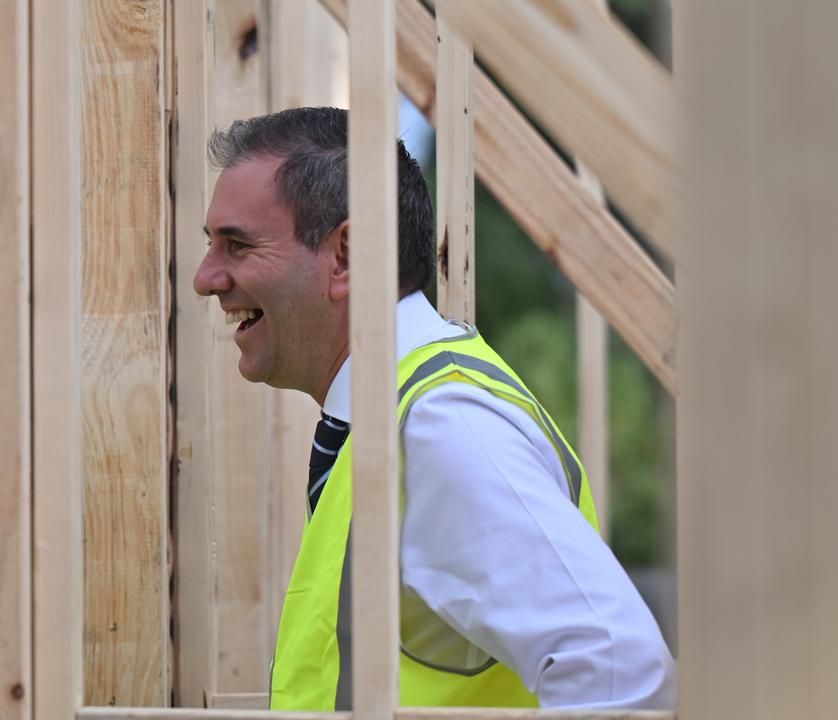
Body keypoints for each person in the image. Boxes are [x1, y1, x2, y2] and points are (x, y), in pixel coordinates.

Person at [194, 107, 676, 711]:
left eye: (237, 245)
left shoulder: (442, 422)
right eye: (211, 245)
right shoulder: (392, 420)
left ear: (346, 256)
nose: (206, 278)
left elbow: (620, 672)